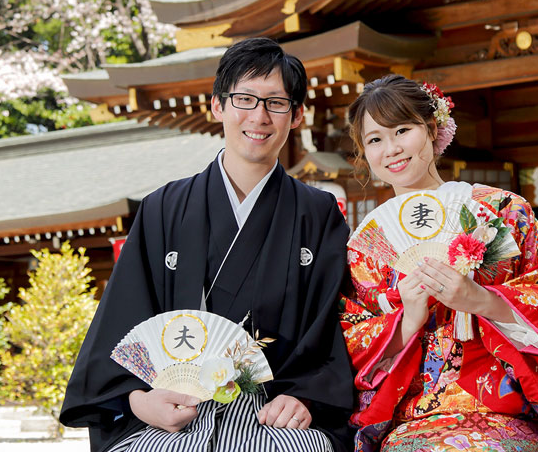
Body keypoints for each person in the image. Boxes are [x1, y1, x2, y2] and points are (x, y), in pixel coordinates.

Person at [60, 37, 355, 452]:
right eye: (245, 99)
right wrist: (141, 401)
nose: (259, 116)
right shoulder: (163, 207)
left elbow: (333, 327)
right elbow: (122, 321)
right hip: (173, 410)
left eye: (276, 103)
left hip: (271, 410)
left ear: (298, 115)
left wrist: (307, 396)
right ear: (217, 105)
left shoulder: (318, 213)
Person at [339, 74, 538, 452]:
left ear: (431, 128)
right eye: (375, 139)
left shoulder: (504, 210)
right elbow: (350, 341)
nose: (391, 149)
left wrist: (480, 300)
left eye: (402, 130)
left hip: (511, 409)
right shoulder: (366, 245)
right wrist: (408, 319)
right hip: (416, 418)